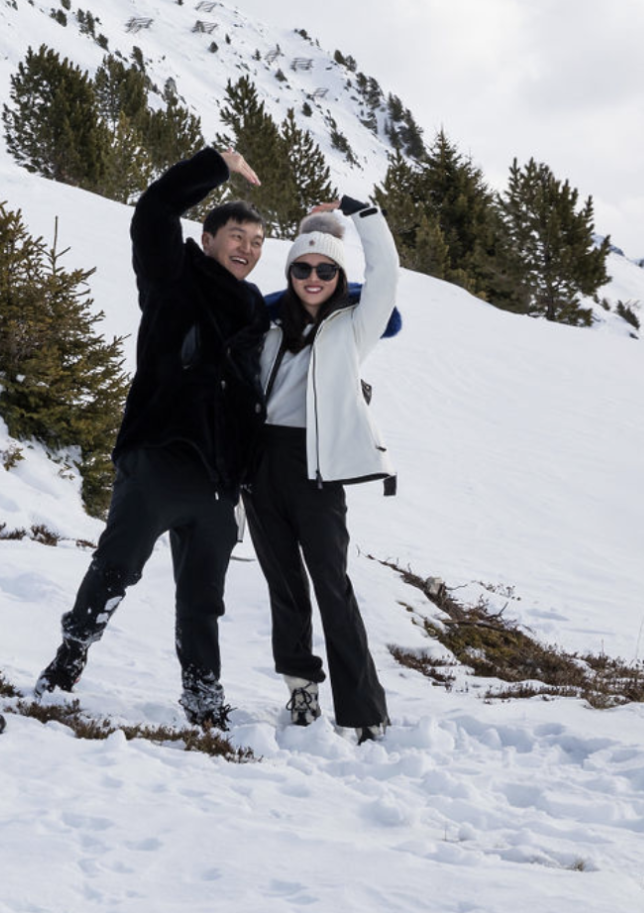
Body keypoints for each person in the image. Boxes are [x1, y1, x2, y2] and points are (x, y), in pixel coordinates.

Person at [34, 148, 269, 730]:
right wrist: (216, 164)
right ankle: (69, 657)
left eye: (258, 241)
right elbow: (155, 208)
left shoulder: (254, 312)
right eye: (236, 236)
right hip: (160, 457)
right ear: (208, 239)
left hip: (219, 480)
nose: (247, 248)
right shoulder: (173, 276)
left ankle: (203, 695)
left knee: (203, 599)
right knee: (116, 567)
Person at [243, 198, 399, 742]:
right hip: (261, 464)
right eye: (303, 268)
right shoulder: (266, 326)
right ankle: (300, 687)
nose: (313, 278)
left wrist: (364, 215)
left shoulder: (354, 328)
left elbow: (387, 274)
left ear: (339, 277)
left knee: (333, 586)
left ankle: (364, 709)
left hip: (318, 468)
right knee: (284, 585)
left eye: (326, 270)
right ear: (290, 273)